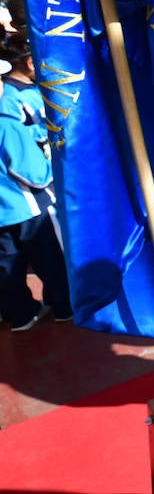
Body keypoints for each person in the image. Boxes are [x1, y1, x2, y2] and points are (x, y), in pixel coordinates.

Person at [0, 49, 70, 332]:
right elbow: (30, 170)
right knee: (50, 258)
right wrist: (51, 175)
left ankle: (19, 314)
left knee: (7, 268)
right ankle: (65, 306)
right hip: (28, 206)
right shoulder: (6, 124)